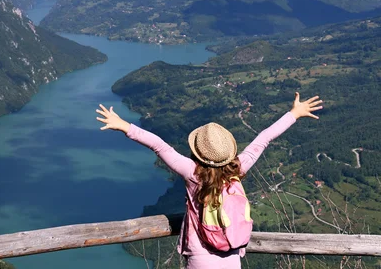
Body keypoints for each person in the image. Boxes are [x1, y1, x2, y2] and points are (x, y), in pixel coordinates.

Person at [96, 92, 323, 269]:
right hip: (232, 253)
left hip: (201, 254)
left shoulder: (192, 173)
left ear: (197, 152)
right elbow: (263, 139)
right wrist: (294, 114)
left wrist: (124, 125)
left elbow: (159, 145)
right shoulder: (237, 168)